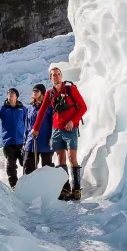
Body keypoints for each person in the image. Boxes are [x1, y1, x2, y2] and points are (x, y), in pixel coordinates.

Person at [32, 67, 87, 201]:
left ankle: (77, 189)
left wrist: (72, 122)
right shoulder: (49, 94)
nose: (56, 77)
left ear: (61, 76)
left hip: (70, 129)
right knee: (61, 159)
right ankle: (66, 189)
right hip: (56, 130)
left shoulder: (70, 90)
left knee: (71, 157)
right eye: (53, 75)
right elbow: (42, 112)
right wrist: (36, 128)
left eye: (58, 74)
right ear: (50, 78)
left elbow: (83, 107)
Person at [0, 87, 26, 190]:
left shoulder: (22, 108)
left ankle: (28, 183)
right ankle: (14, 185)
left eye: (13, 92)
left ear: (16, 96)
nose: (10, 94)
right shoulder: (3, 109)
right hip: (8, 142)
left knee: (26, 162)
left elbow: (29, 119)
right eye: (9, 92)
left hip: (21, 141)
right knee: (11, 164)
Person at [23, 83, 54, 175]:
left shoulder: (49, 107)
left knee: (47, 167)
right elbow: (27, 125)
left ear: (42, 93)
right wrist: (25, 140)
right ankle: (27, 187)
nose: (34, 92)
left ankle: (48, 187)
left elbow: (53, 123)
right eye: (33, 91)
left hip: (45, 141)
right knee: (28, 166)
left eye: (37, 91)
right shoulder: (30, 108)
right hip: (31, 141)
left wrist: (51, 137)